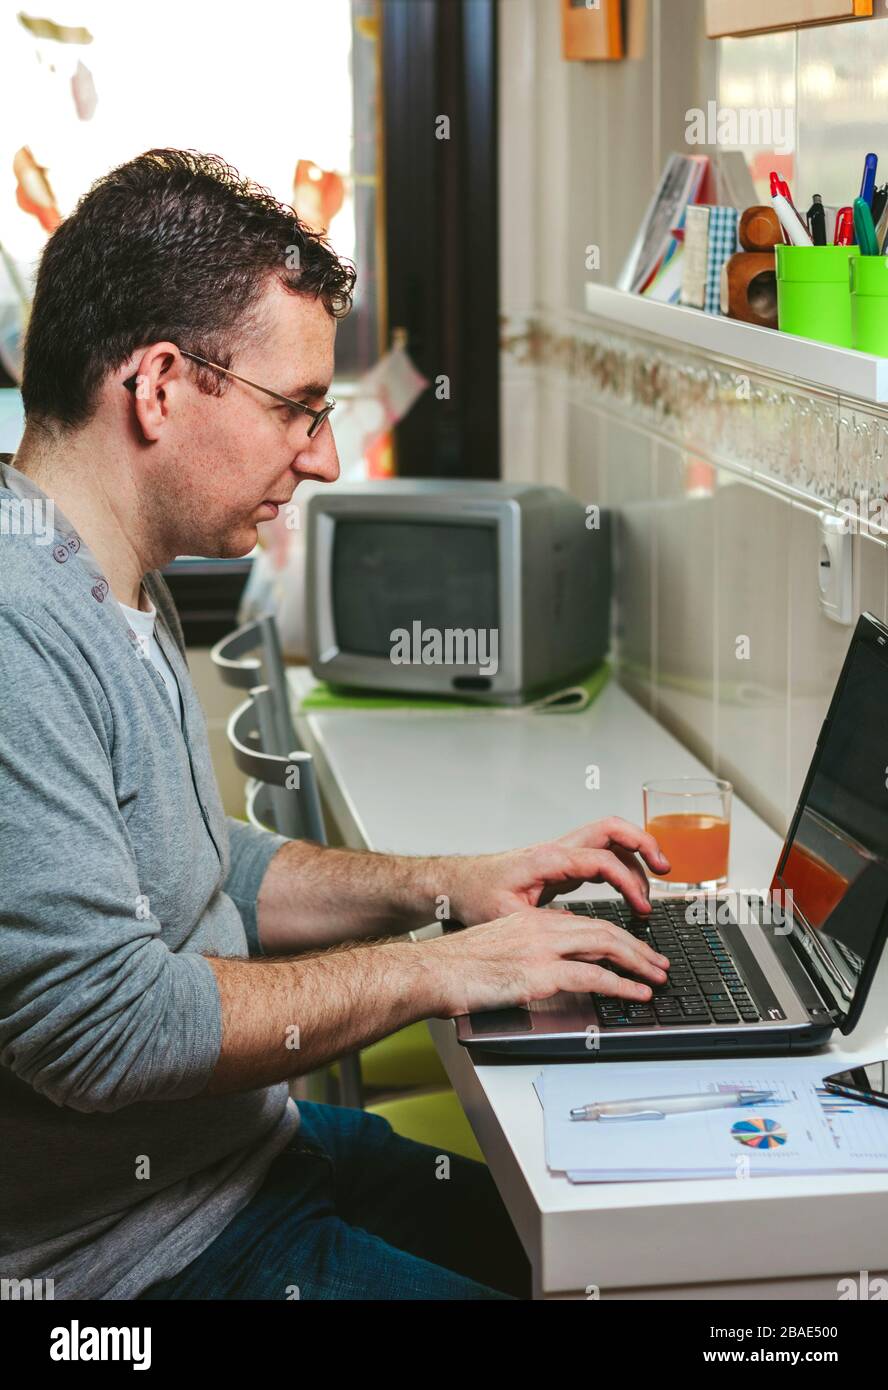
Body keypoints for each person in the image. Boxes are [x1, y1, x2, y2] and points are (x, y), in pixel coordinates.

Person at [0, 150, 670, 1301]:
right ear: (160, 385)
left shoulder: (108, 569)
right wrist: (445, 969)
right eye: (297, 407)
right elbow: (109, 1029)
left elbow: (212, 866)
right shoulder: (17, 627)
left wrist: (456, 884)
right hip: (139, 1261)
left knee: (614, 1254)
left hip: (248, 1161)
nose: (319, 453)